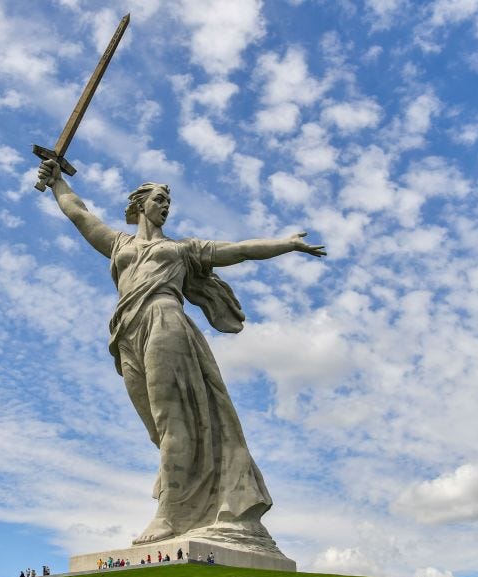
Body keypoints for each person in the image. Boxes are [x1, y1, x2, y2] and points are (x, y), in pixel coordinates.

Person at [37, 160, 325, 547]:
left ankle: (169, 516)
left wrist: (286, 244)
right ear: (140, 204)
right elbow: (79, 213)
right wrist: (57, 183)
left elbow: (238, 251)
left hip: (165, 320)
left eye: (169, 201)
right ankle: (189, 500)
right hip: (126, 330)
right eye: (160, 199)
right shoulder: (119, 244)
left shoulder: (181, 250)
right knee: (158, 428)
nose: (166, 205)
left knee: (172, 419)